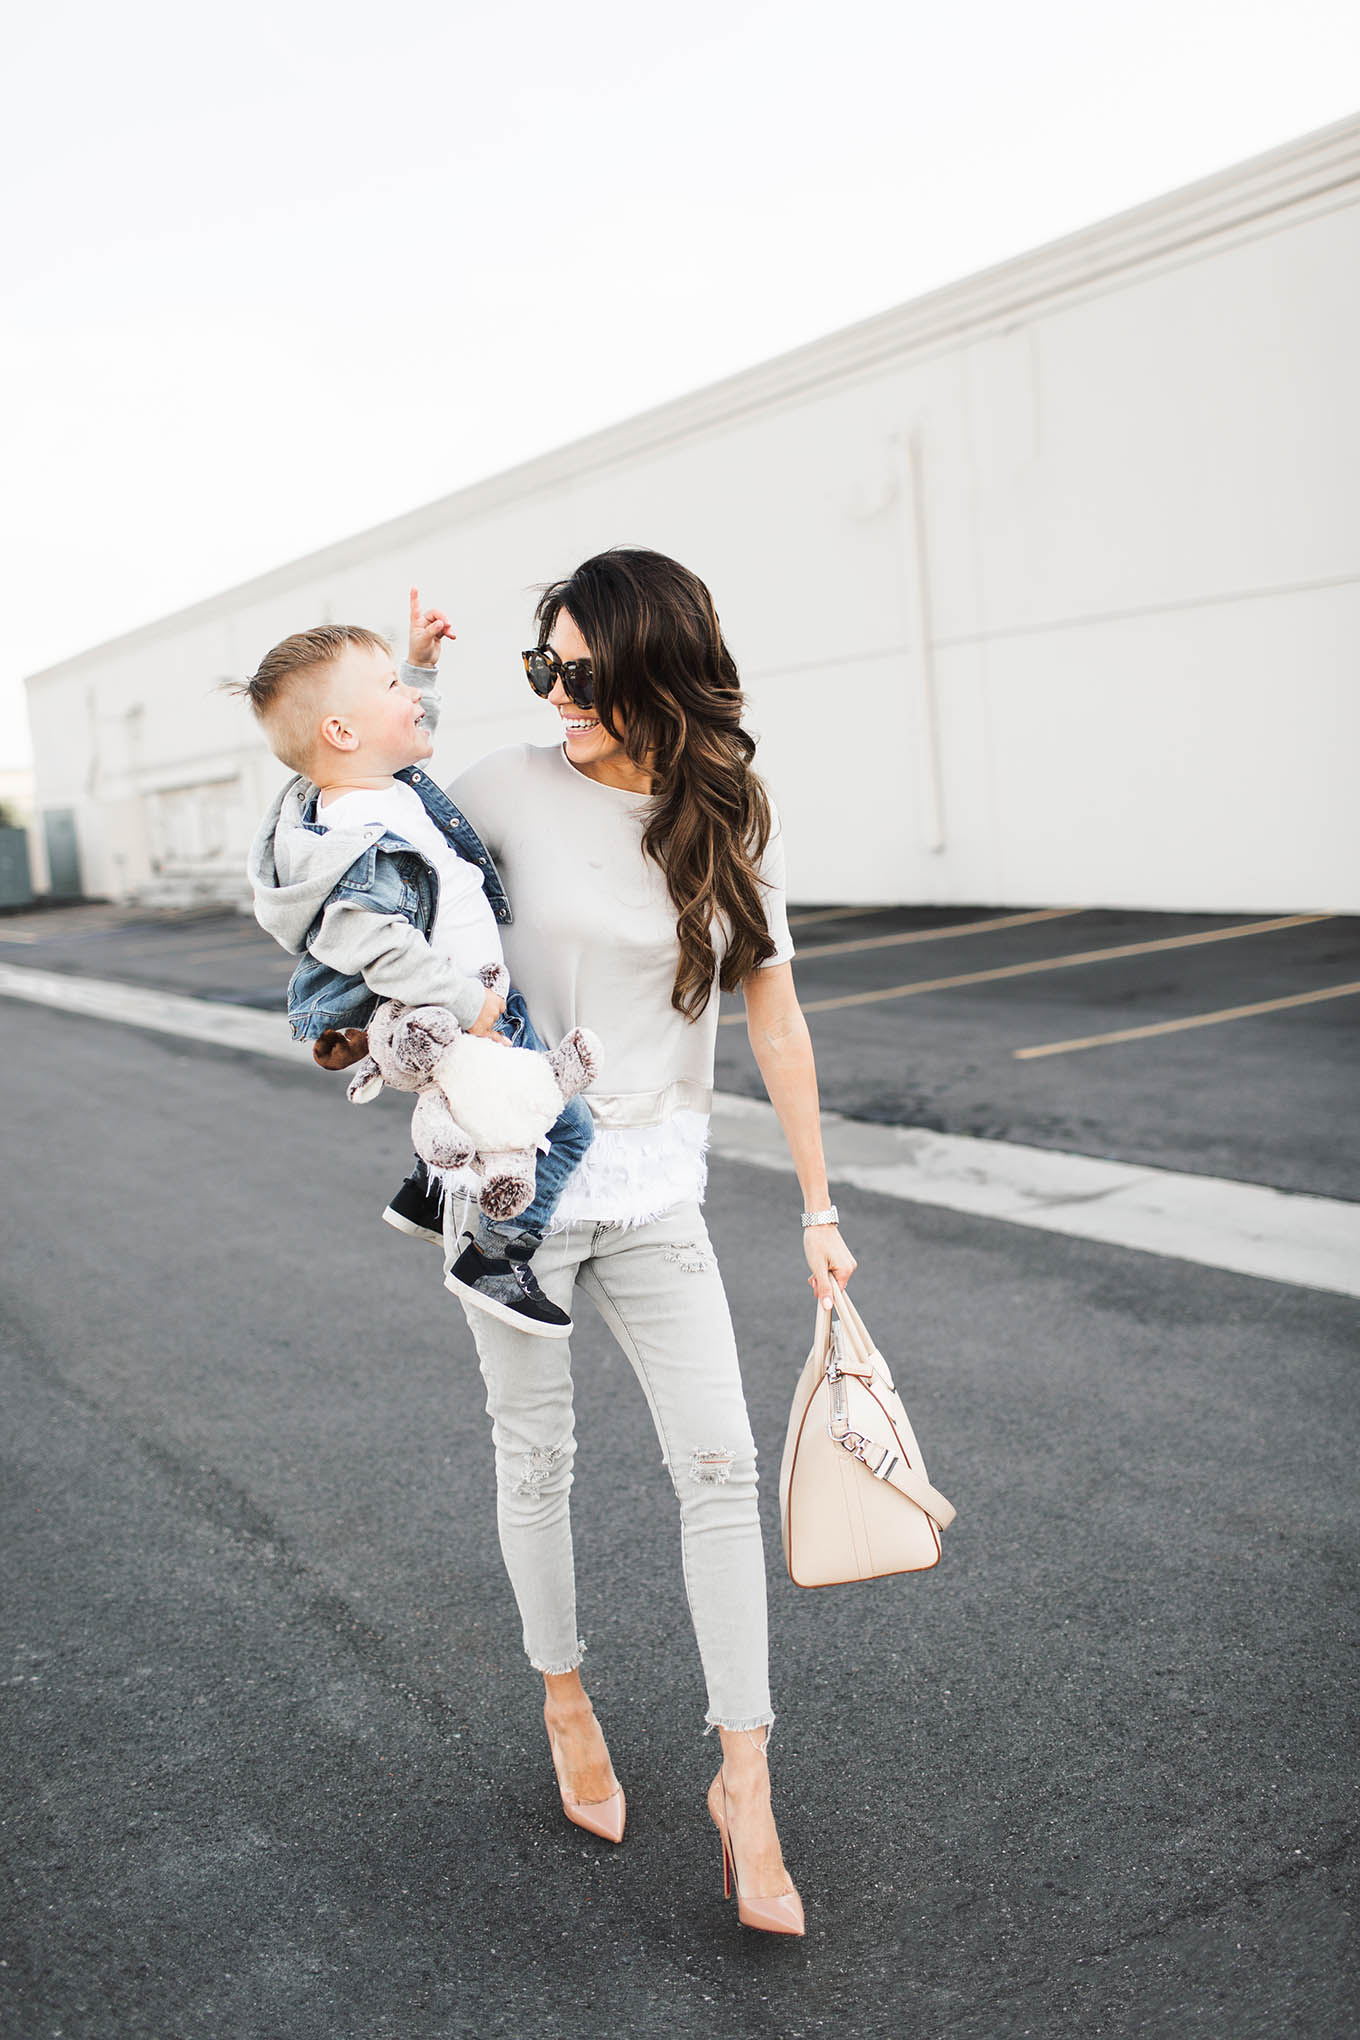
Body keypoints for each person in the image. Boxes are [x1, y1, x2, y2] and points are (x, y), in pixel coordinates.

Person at [432, 547, 856, 1936]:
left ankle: (748, 1779)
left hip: (657, 1183)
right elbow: (375, 840)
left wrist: (818, 1207)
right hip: (511, 1190)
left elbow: (776, 1023)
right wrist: (413, 673)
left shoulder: (725, 812)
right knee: (536, 1455)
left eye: (582, 670)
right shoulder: (502, 785)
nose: (557, 691)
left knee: (722, 1468)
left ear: (654, 669)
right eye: (540, 665)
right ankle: (565, 1698)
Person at [236, 613, 599, 1336]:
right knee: (561, 1128)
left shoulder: (371, 785)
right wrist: (473, 1005)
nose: (412, 697)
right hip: (469, 1011)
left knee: (497, 1121)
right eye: (393, 685)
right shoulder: (351, 842)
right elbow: (377, 945)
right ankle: (495, 1257)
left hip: (471, 998)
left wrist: (419, 665)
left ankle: (427, 1197)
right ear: (341, 733)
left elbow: (405, 729)